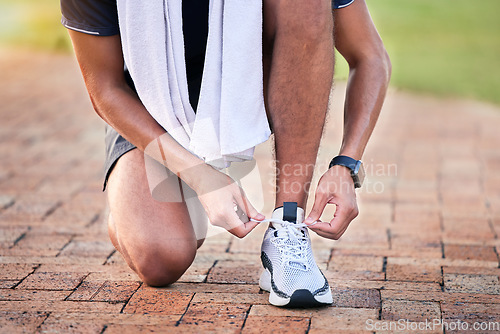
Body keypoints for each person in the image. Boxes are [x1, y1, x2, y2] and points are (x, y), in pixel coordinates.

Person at [61, 0, 390, 307]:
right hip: (150, 107)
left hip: (243, 90)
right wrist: (200, 177)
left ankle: (288, 225)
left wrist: (347, 164)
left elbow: (369, 56)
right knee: (161, 257)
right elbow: (105, 88)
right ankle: (154, 188)